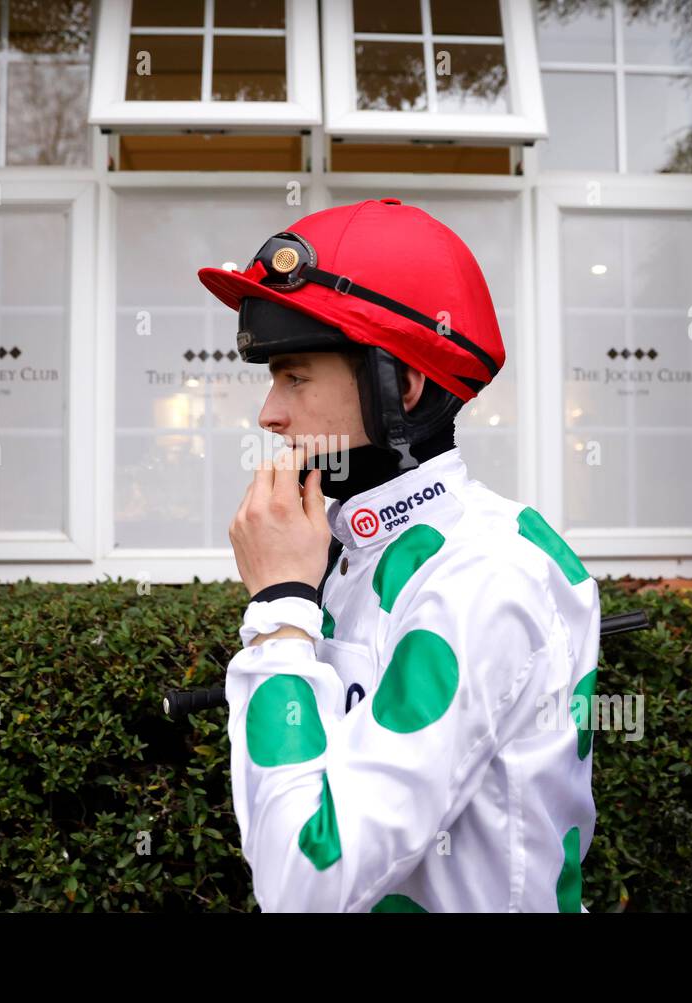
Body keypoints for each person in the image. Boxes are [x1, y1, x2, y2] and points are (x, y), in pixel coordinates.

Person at [196, 198, 601, 912]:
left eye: (295, 376)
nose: (268, 414)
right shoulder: (349, 549)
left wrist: (278, 616)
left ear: (402, 387)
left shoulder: (482, 573)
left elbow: (303, 884)